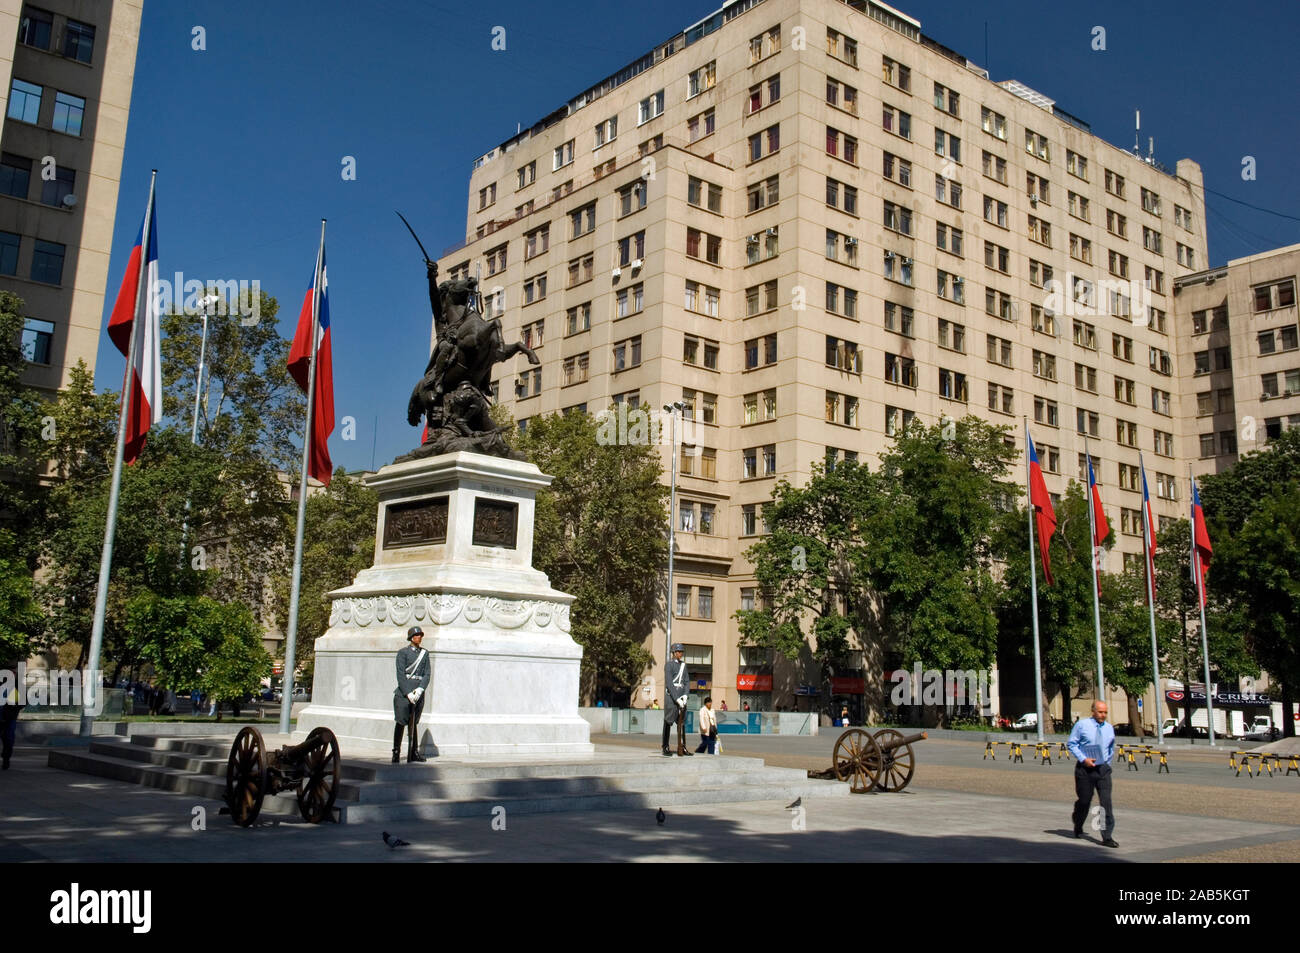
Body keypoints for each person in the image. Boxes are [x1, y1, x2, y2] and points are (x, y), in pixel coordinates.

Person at [1067, 699, 1118, 847]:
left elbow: (1111, 747)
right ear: (1093, 711)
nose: (1103, 715)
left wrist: (1107, 764)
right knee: (1084, 800)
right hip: (1085, 769)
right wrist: (1084, 759)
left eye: (1105, 712)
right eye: (1100, 712)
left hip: (1102, 769)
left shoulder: (1109, 728)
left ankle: (1107, 836)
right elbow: (1072, 744)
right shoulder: (1082, 725)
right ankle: (1078, 823)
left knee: (1105, 802)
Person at [394, 626, 431, 763]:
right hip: (405, 692)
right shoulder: (403, 653)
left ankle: (414, 752)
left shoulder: (425, 654)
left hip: (418, 691)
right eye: (416, 635)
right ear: (411, 637)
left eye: (420, 635)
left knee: (414, 722)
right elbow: (400, 674)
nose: (419, 637)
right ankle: (396, 751)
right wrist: (408, 693)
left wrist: (421, 689)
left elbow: (427, 674)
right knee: (401, 721)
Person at [662, 644, 693, 757]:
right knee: (668, 721)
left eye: (681, 652)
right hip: (671, 697)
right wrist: (676, 698)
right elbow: (669, 683)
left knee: (682, 723)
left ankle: (682, 746)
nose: (681, 653)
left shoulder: (684, 665)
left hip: (682, 696)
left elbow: (687, 681)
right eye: (679, 651)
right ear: (674, 652)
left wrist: (685, 695)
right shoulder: (669, 665)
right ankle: (665, 746)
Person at [1, 664, 21, 769]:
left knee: (8, 739)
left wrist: (14, 709)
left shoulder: (17, 686)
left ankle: (6, 759)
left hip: (10, 718)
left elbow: (23, 701)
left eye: (14, 673)